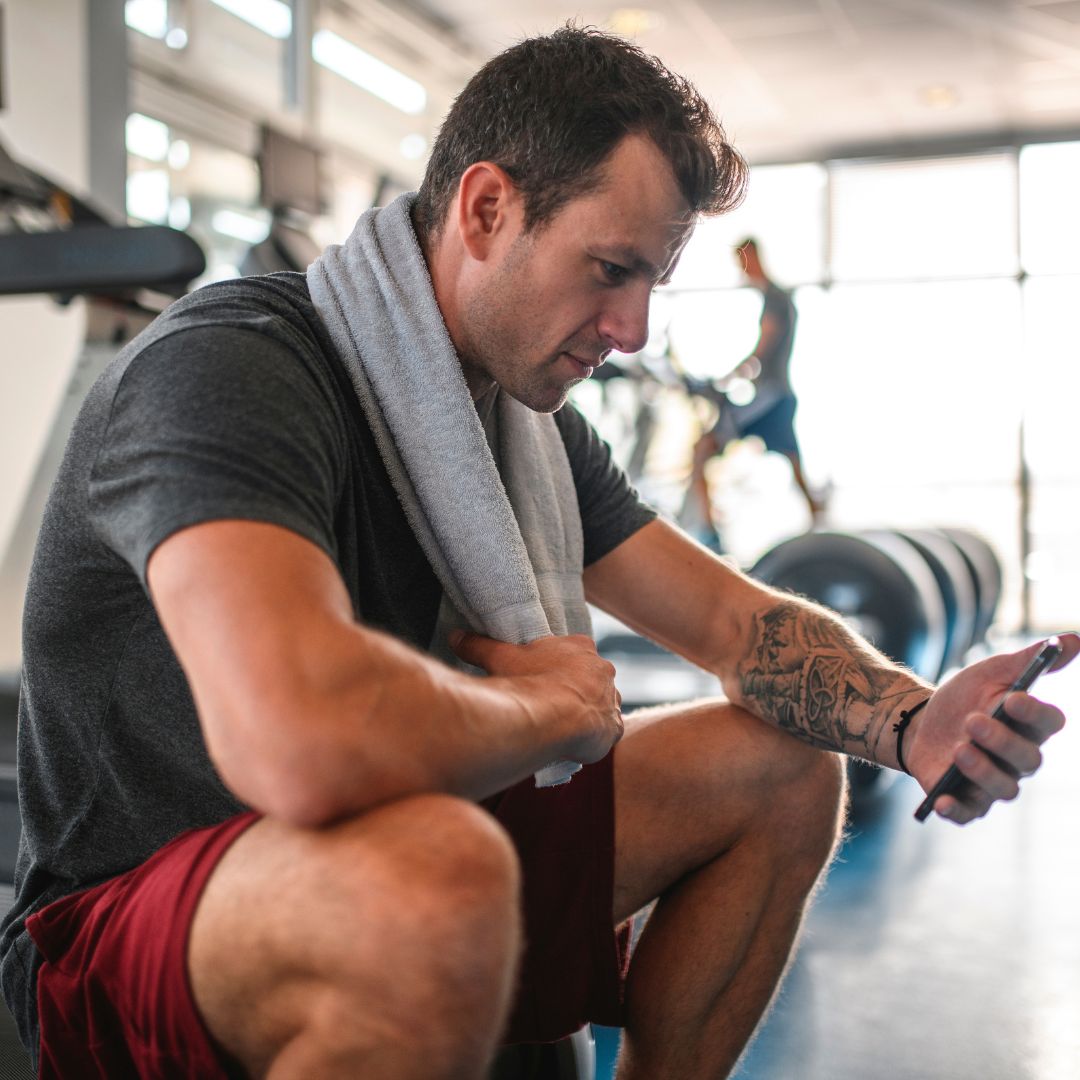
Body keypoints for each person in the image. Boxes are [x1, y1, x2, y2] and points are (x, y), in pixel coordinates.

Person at [0, 24, 1073, 1080]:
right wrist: (549, 714)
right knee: (436, 873)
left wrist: (912, 717)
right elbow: (302, 742)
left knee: (785, 767)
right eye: (611, 270)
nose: (635, 330)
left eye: (651, 281)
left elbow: (735, 629)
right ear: (484, 208)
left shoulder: (523, 421)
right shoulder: (232, 371)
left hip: (405, 834)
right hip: (135, 920)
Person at [686, 237, 824, 546]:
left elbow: (764, 348)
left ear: (752, 257)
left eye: (741, 262)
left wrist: (730, 377)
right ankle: (819, 522)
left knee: (703, 448)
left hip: (770, 396)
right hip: (779, 397)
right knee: (793, 461)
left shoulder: (775, 298)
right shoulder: (774, 297)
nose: (741, 270)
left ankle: (709, 532)